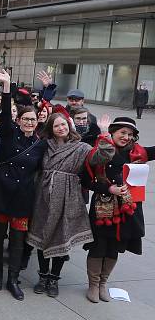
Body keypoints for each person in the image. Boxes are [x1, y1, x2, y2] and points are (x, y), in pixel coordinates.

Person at [26, 112, 113, 298]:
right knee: (43, 235)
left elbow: (102, 157)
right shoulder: (44, 145)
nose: (61, 128)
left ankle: (54, 278)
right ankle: (42, 277)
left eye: (63, 125)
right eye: (56, 126)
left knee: (61, 236)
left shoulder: (81, 147)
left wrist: (104, 133)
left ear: (69, 126)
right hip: (44, 196)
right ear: (51, 128)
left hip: (68, 196)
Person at [84, 117, 155, 303]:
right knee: (99, 245)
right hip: (103, 207)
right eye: (122, 132)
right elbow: (85, 181)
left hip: (127, 209)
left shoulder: (139, 152)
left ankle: (102, 284)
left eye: (130, 134)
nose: (126, 137)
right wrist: (109, 188)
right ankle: (92, 284)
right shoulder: (98, 151)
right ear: (113, 132)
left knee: (115, 246)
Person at [0, 69, 46, 301]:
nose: (29, 123)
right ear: (19, 121)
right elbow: (3, 115)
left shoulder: (41, 145)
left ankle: (13, 278)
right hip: (2, 194)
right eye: (25, 119)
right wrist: (6, 87)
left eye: (33, 120)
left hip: (24, 198)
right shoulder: (9, 134)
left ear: (36, 123)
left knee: (17, 241)